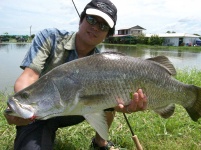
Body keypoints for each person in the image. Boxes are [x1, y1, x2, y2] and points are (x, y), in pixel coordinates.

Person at [4, 0, 147, 149]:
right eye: (91, 20)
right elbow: (28, 76)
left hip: (78, 110)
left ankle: (100, 142)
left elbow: (113, 103)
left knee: (109, 95)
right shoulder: (49, 37)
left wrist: (126, 106)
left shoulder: (105, 64)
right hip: (41, 112)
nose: (95, 28)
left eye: (103, 26)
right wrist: (24, 103)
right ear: (81, 20)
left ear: (107, 35)